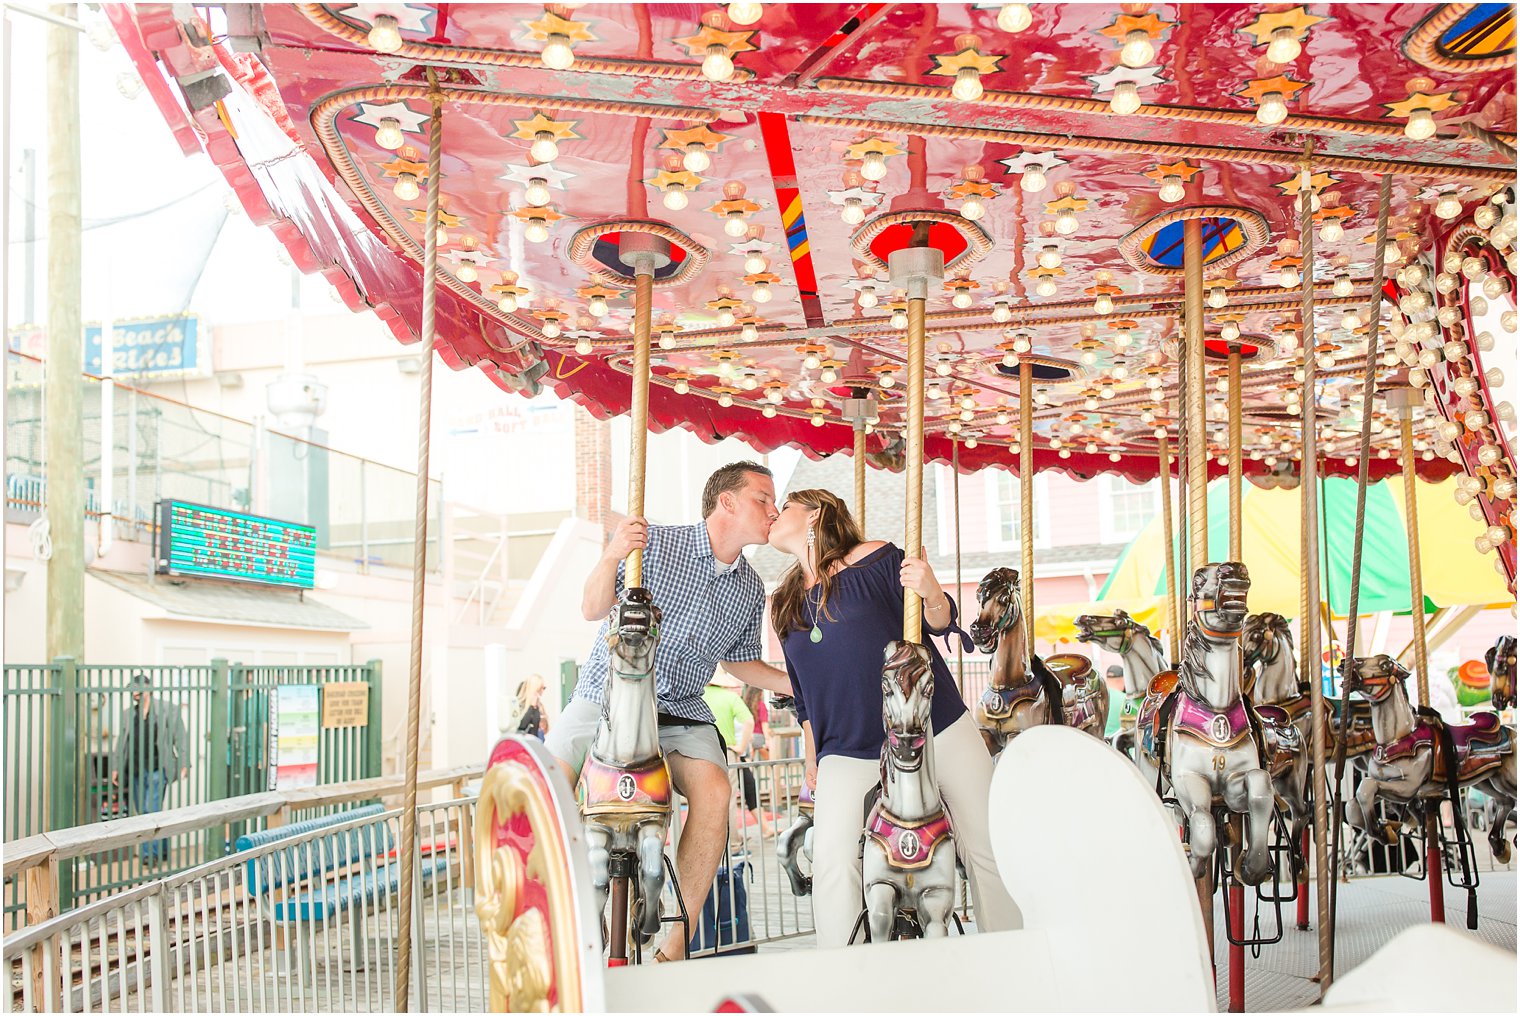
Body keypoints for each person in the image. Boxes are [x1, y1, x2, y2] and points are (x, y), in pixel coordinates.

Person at [546, 461, 792, 961]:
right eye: (762, 498)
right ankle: (552, 913)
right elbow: (593, 608)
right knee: (548, 777)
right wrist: (615, 552)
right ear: (726, 502)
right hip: (609, 694)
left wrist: (801, 683)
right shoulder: (654, 543)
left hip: (681, 708)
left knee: (717, 790)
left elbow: (740, 662)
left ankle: (676, 945)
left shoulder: (749, 587)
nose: (774, 509)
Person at [768, 488, 1021, 947]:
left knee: (986, 842)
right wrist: (811, 754)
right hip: (847, 746)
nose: (772, 515)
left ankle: (1009, 951)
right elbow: (804, 693)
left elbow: (939, 622)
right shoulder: (785, 603)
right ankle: (844, 973)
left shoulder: (879, 559)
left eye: (783, 506)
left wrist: (931, 591)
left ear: (814, 515)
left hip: (931, 724)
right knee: (830, 858)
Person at [109, 674, 190, 866]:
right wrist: (115, 768)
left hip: (157, 768)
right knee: (144, 810)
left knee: (149, 811)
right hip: (136, 769)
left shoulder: (169, 709)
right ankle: (161, 849)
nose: (134, 693)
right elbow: (121, 742)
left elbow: (181, 737)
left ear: (147, 689)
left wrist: (184, 763)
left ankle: (149, 855)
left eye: (137, 689)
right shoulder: (128, 713)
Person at [513, 674, 551, 740]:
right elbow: (521, 726)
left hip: (536, 742)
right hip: (523, 743)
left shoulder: (539, 706)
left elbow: (542, 728)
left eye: (544, 688)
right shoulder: (519, 705)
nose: (542, 691)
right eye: (541, 688)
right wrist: (531, 707)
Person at [1103, 664, 1127, 739]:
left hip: (1098, 743)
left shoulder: (1096, 698)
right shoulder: (1127, 700)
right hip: (1117, 746)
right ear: (1123, 679)